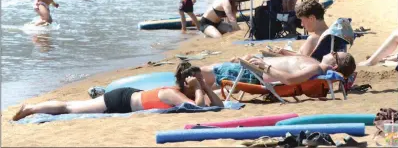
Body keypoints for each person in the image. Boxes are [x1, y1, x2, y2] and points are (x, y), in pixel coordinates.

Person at [13, 62, 223, 121]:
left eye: (201, 78)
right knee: (70, 108)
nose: (201, 81)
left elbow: (219, 106)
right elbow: (199, 109)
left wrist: (203, 87)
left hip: (131, 96)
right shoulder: (171, 93)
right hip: (120, 99)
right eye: (196, 79)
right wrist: (199, 89)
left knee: (72, 107)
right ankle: (30, 109)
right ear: (186, 83)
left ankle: (32, 108)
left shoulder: (188, 91)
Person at [199, 51, 356, 88]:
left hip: (254, 73)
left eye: (334, 53)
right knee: (207, 76)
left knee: (202, 72)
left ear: (335, 65)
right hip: (254, 68)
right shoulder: (315, 64)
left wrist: (264, 66)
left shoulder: (315, 67)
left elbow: (289, 80)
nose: (331, 51)